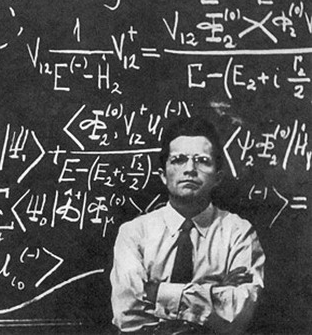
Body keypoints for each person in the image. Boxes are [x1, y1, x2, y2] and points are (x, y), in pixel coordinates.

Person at [110, 117, 265, 335]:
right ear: (163, 175)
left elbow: (240, 313)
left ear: (218, 177)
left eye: (202, 161)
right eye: (179, 160)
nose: (190, 169)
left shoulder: (238, 233)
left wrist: (156, 292)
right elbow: (127, 315)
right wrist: (214, 294)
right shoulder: (134, 233)